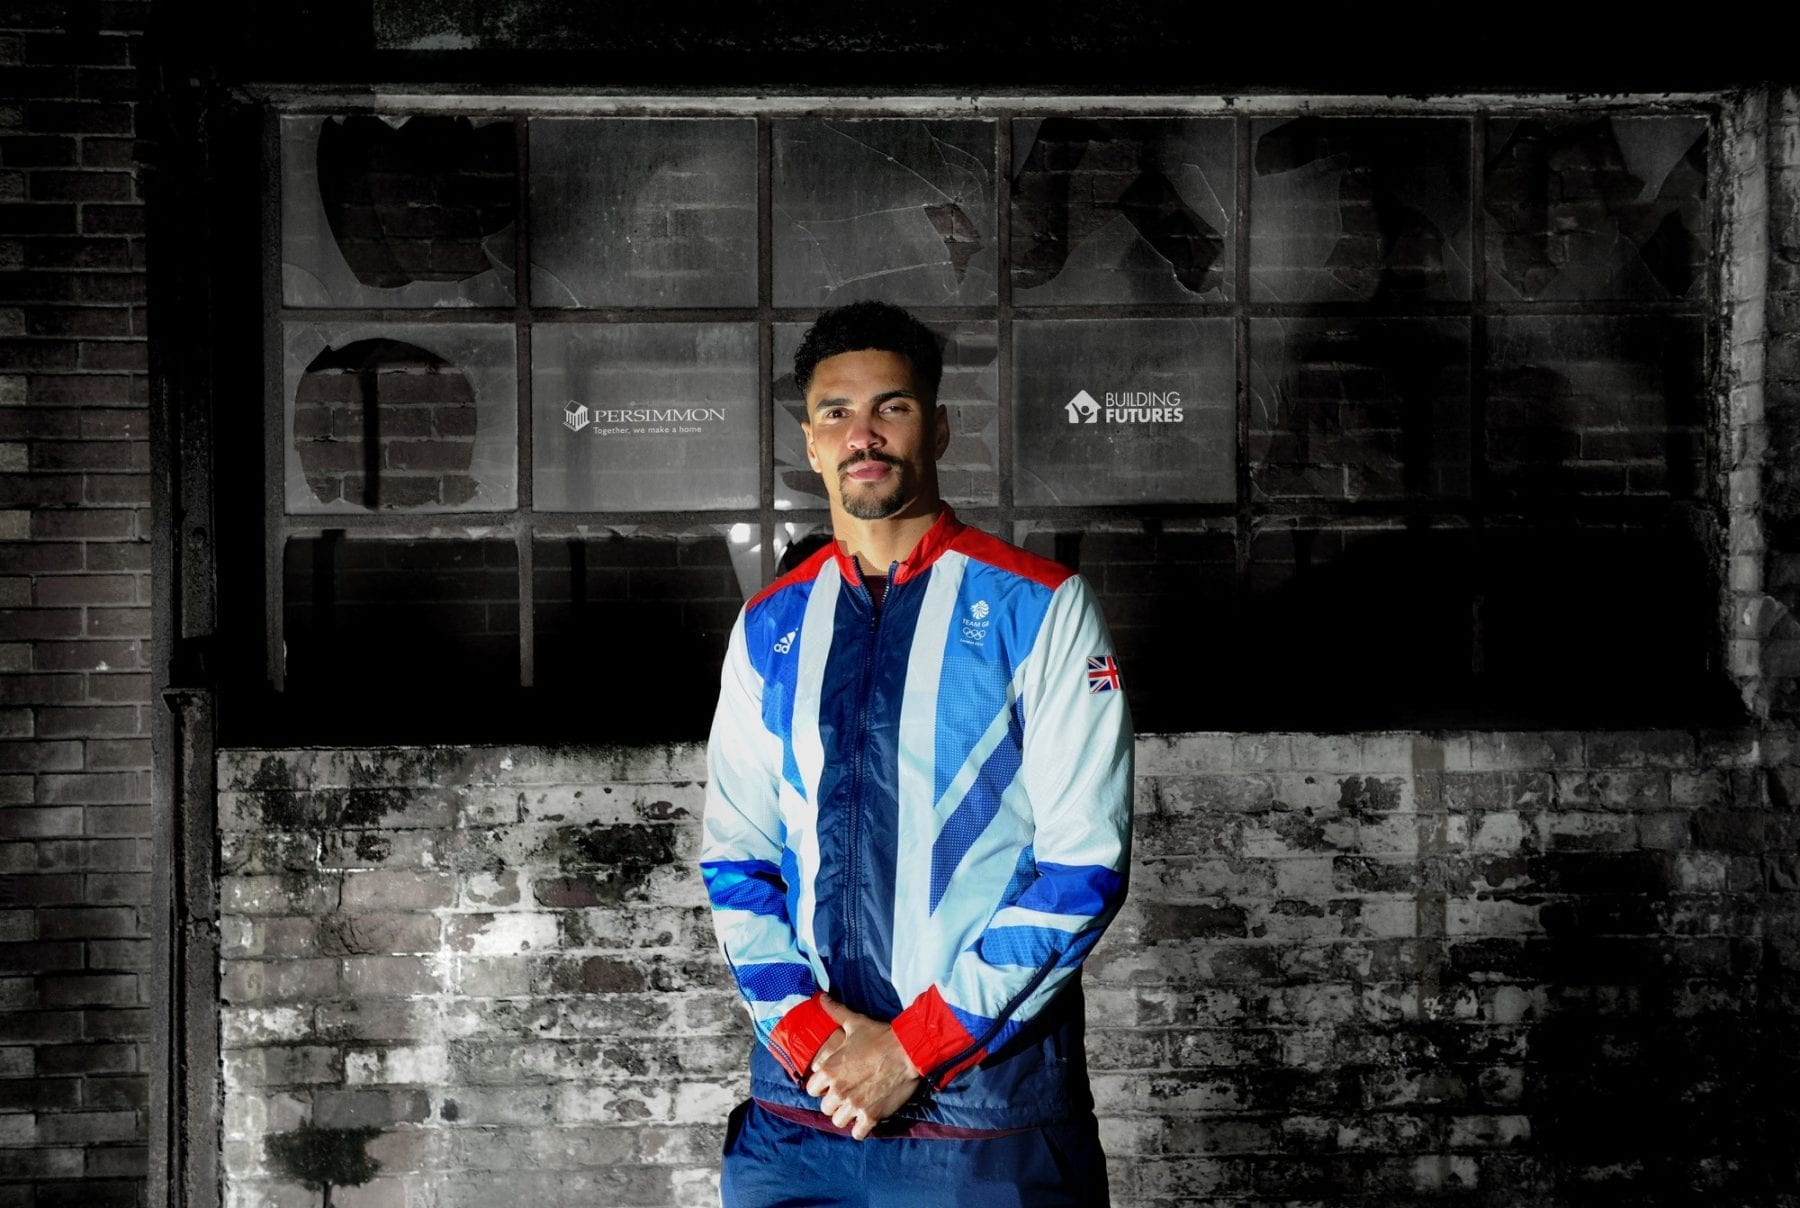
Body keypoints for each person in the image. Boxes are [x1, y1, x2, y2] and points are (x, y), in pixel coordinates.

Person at [700, 300, 1133, 1206]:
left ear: (936, 427)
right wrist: (819, 1044)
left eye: (890, 408)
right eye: (836, 414)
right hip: (801, 1121)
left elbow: (1082, 865)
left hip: (984, 1121)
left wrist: (909, 1050)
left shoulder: (1039, 608)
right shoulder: (769, 625)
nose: (864, 434)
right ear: (812, 444)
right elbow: (736, 859)